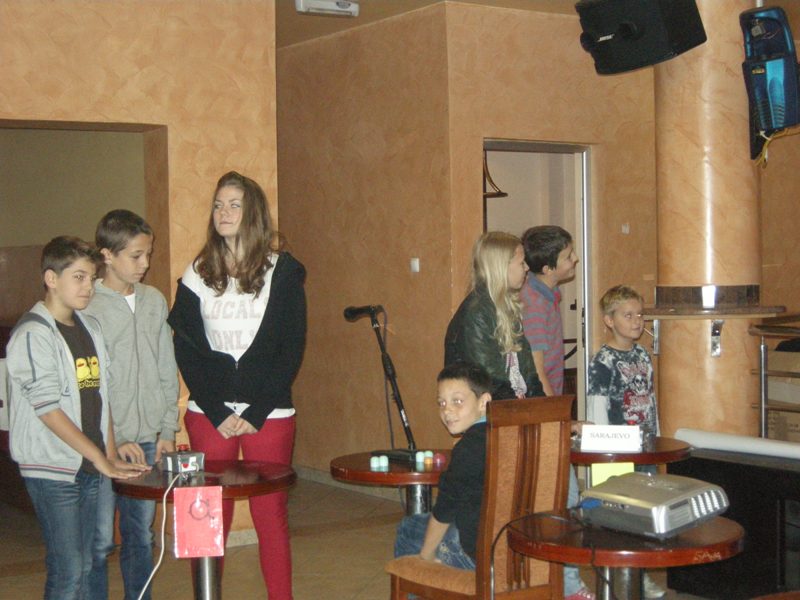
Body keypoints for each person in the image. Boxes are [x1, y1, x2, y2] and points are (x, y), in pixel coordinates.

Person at [168, 171, 306, 600]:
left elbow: (290, 348)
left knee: (270, 513)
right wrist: (217, 410)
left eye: (234, 205)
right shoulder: (198, 272)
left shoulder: (283, 271)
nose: (223, 213)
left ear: (253, 214)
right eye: (218, 205)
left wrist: (255, 412)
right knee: (206, 513)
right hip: (209, 413)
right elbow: (185, 347)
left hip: (269, 412)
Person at [6, 236, 147, 600]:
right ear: (51, 278)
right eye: (79, 277)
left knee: (88, 563)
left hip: (89, 465)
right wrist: (99, 457)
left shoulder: (90, 327)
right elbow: (48, 409)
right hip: (53, 470)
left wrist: (110, 453)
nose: (89, 287)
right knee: (68, 570)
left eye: (91, 277)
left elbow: (101, 398)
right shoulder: (33, 333)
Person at [83, 210, 179, 600]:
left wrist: (167, 429)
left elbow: (166, 366)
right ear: (107, 255)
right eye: (136, 255)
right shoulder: (88, 306)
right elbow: (90, 387)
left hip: (146, 441)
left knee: (140, 535)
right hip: (103, 443)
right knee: (99, 540)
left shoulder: (154, 300)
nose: (145, 264)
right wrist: (115, 437)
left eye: (148, 254)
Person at [520, 226, 592, 600]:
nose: (575, 259)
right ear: (548, 267)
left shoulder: (547, 294)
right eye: (568, 256)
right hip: (542, 416)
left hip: (548, 414)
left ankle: (559, 584)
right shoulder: (534, 303)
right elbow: (536, 372)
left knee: (564, 499)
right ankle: (569, 588)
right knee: (567, 498)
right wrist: (561, 420)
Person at [587, 284, 664, 599]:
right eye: (627, 315)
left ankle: (640, 574)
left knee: (644, 515)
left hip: (644, 446)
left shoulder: (643, 354)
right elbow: (597, 406)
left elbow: (651, 398)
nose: (636, 321)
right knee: (619, 516)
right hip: (617, 448)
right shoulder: (603, 360)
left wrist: (656, 435)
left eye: (639, 314)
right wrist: (605, 448)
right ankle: (615, 576)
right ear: (609, 320)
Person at [394, 362, 492, 568]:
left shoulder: (469, 448)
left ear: (484, 402)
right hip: (513, 547)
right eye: (442, 403)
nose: (447, 410)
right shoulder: (508, 433)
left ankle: (418, 582)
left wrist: (426, 555)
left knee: (409, 527)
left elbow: (445, 510)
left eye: (457, 401)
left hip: (477, 554)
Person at [444, 231, 544, 400]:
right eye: (521, 262)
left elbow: (528, 371)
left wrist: (541, 406)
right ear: (501, 267)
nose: (527, 268)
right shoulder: (476, 314)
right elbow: (490, 381)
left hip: (509, 406)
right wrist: (521, 409)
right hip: (484, 411)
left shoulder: (506, 306)